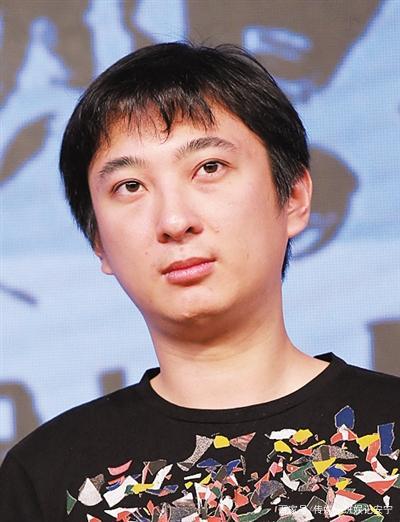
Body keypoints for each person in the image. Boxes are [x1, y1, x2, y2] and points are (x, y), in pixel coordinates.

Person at [0, 42, 399, 521]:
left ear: (294, 196)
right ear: (99, 242)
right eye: (130, 186)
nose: (174, 220)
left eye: (209, 167)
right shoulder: (45, 477)